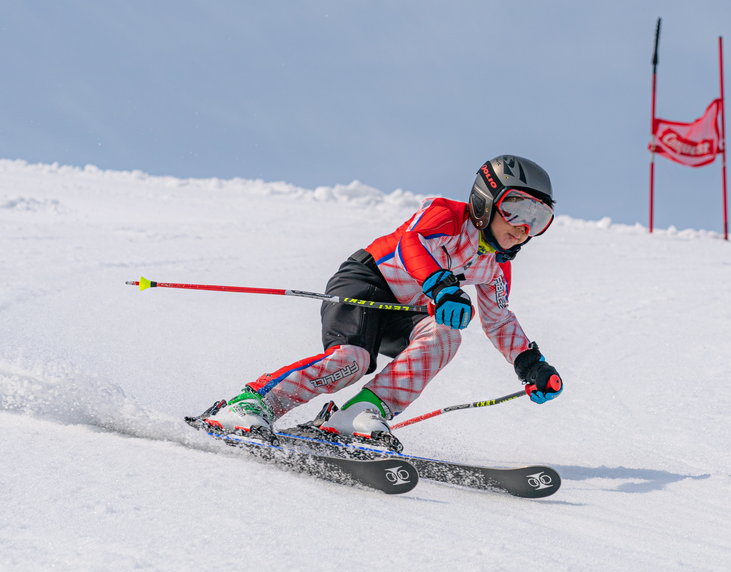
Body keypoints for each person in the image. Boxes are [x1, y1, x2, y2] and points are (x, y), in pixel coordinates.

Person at [193, 154, 563, 451]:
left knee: (447, 335)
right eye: (516, 209)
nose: (524, 227)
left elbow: (498, 320)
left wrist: (530, 364)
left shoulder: (495, 267)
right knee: (350, 362)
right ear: (486, 201)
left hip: (408, 309)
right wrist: (442, 287)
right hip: (366, 282)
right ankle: (249, 405)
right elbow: (411, 243)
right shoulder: (446, 214)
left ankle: (358, 413)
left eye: (538, 219)